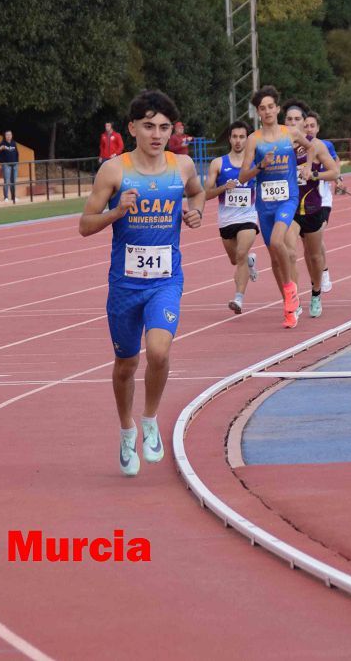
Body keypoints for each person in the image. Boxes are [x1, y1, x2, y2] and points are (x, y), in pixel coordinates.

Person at [78, 89, 204, 477]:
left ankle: (149, 420)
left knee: (159, 352)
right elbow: (85, 225)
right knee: (125, 364)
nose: (156, 134)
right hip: (125, 286)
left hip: (166, 280)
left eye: (164, 127)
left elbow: (198, 193)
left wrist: (195, 212)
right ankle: (126, 429)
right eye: (148, 126)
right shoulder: (114, 170)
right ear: (132, 127)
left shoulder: (181, 166)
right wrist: (118, 210)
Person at [237, 85, 314, 329]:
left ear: (277, 109)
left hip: (287, 198)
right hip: (264, 203)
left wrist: (308, 167)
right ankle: (289, 305)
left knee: (277, 242)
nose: (268, 111)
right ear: (258, 112)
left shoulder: (289, 133)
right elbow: (242, 177)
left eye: (271, 106)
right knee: (274, 256)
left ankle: (291, 289)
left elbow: (311, 147)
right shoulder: (254, 140)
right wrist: (261, 166)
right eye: (263, 108)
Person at [282, 100, 339, 318]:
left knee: (314, 257)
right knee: (289, 251)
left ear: (305, 123)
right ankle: (293, 298)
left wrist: (314, 174)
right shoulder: (280, 145)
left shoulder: (316, 146)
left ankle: (315, 294)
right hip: (289, 208)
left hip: (313, 207)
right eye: (289, 119)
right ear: (284, 122)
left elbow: (334, 172)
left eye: (298, 119)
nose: (294, 123)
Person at [205, 120, 259, 314]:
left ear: (247, 139)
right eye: (234, 137)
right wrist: (223, 187)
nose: (238, 141)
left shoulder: (254, 162)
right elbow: (206, 193)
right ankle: (251, 262)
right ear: (229, 138)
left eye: (242, 137)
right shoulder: (218, 163)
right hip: (227, 220)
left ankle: (239, 298)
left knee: (241, 253)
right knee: (236, 260)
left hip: (249, 216)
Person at [305, 110, 342, 293]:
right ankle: (316, 277)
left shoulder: (324, 145)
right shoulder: (294, 146)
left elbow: (335, 163)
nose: (309, 129)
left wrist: (338, 179)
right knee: (307, 245)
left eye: (312, 126)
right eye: (306, 126)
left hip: (323, 199)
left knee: (318, 233)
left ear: (318, 128)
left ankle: (324, 271)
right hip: (303, 201)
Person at [0, 130, 19, 203]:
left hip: (14, 165)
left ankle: (13, 196)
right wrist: (2, 162)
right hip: (6, 165)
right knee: (7, 181)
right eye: (7, 135)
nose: (9, 136)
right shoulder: (2, 143)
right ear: (5, 136)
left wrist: (17, 162)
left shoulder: (14, 143)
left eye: (10, 134)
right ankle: (6, 197)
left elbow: (17, 153)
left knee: (13, 181)